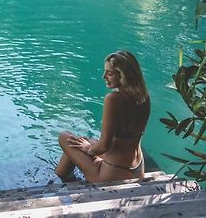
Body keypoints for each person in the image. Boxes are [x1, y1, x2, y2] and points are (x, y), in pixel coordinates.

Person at [55, 51, 151, 183]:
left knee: (65, 137)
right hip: (137, 169)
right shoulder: (144, 97)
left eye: (110, 73)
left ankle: (62, 179)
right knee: (82, 141)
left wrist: (88, 149)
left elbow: (104, 146)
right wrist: (89, 145)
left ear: (124, 76)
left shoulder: (113, 99)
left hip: (113, 173)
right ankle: (62, 175)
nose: (103, 76)